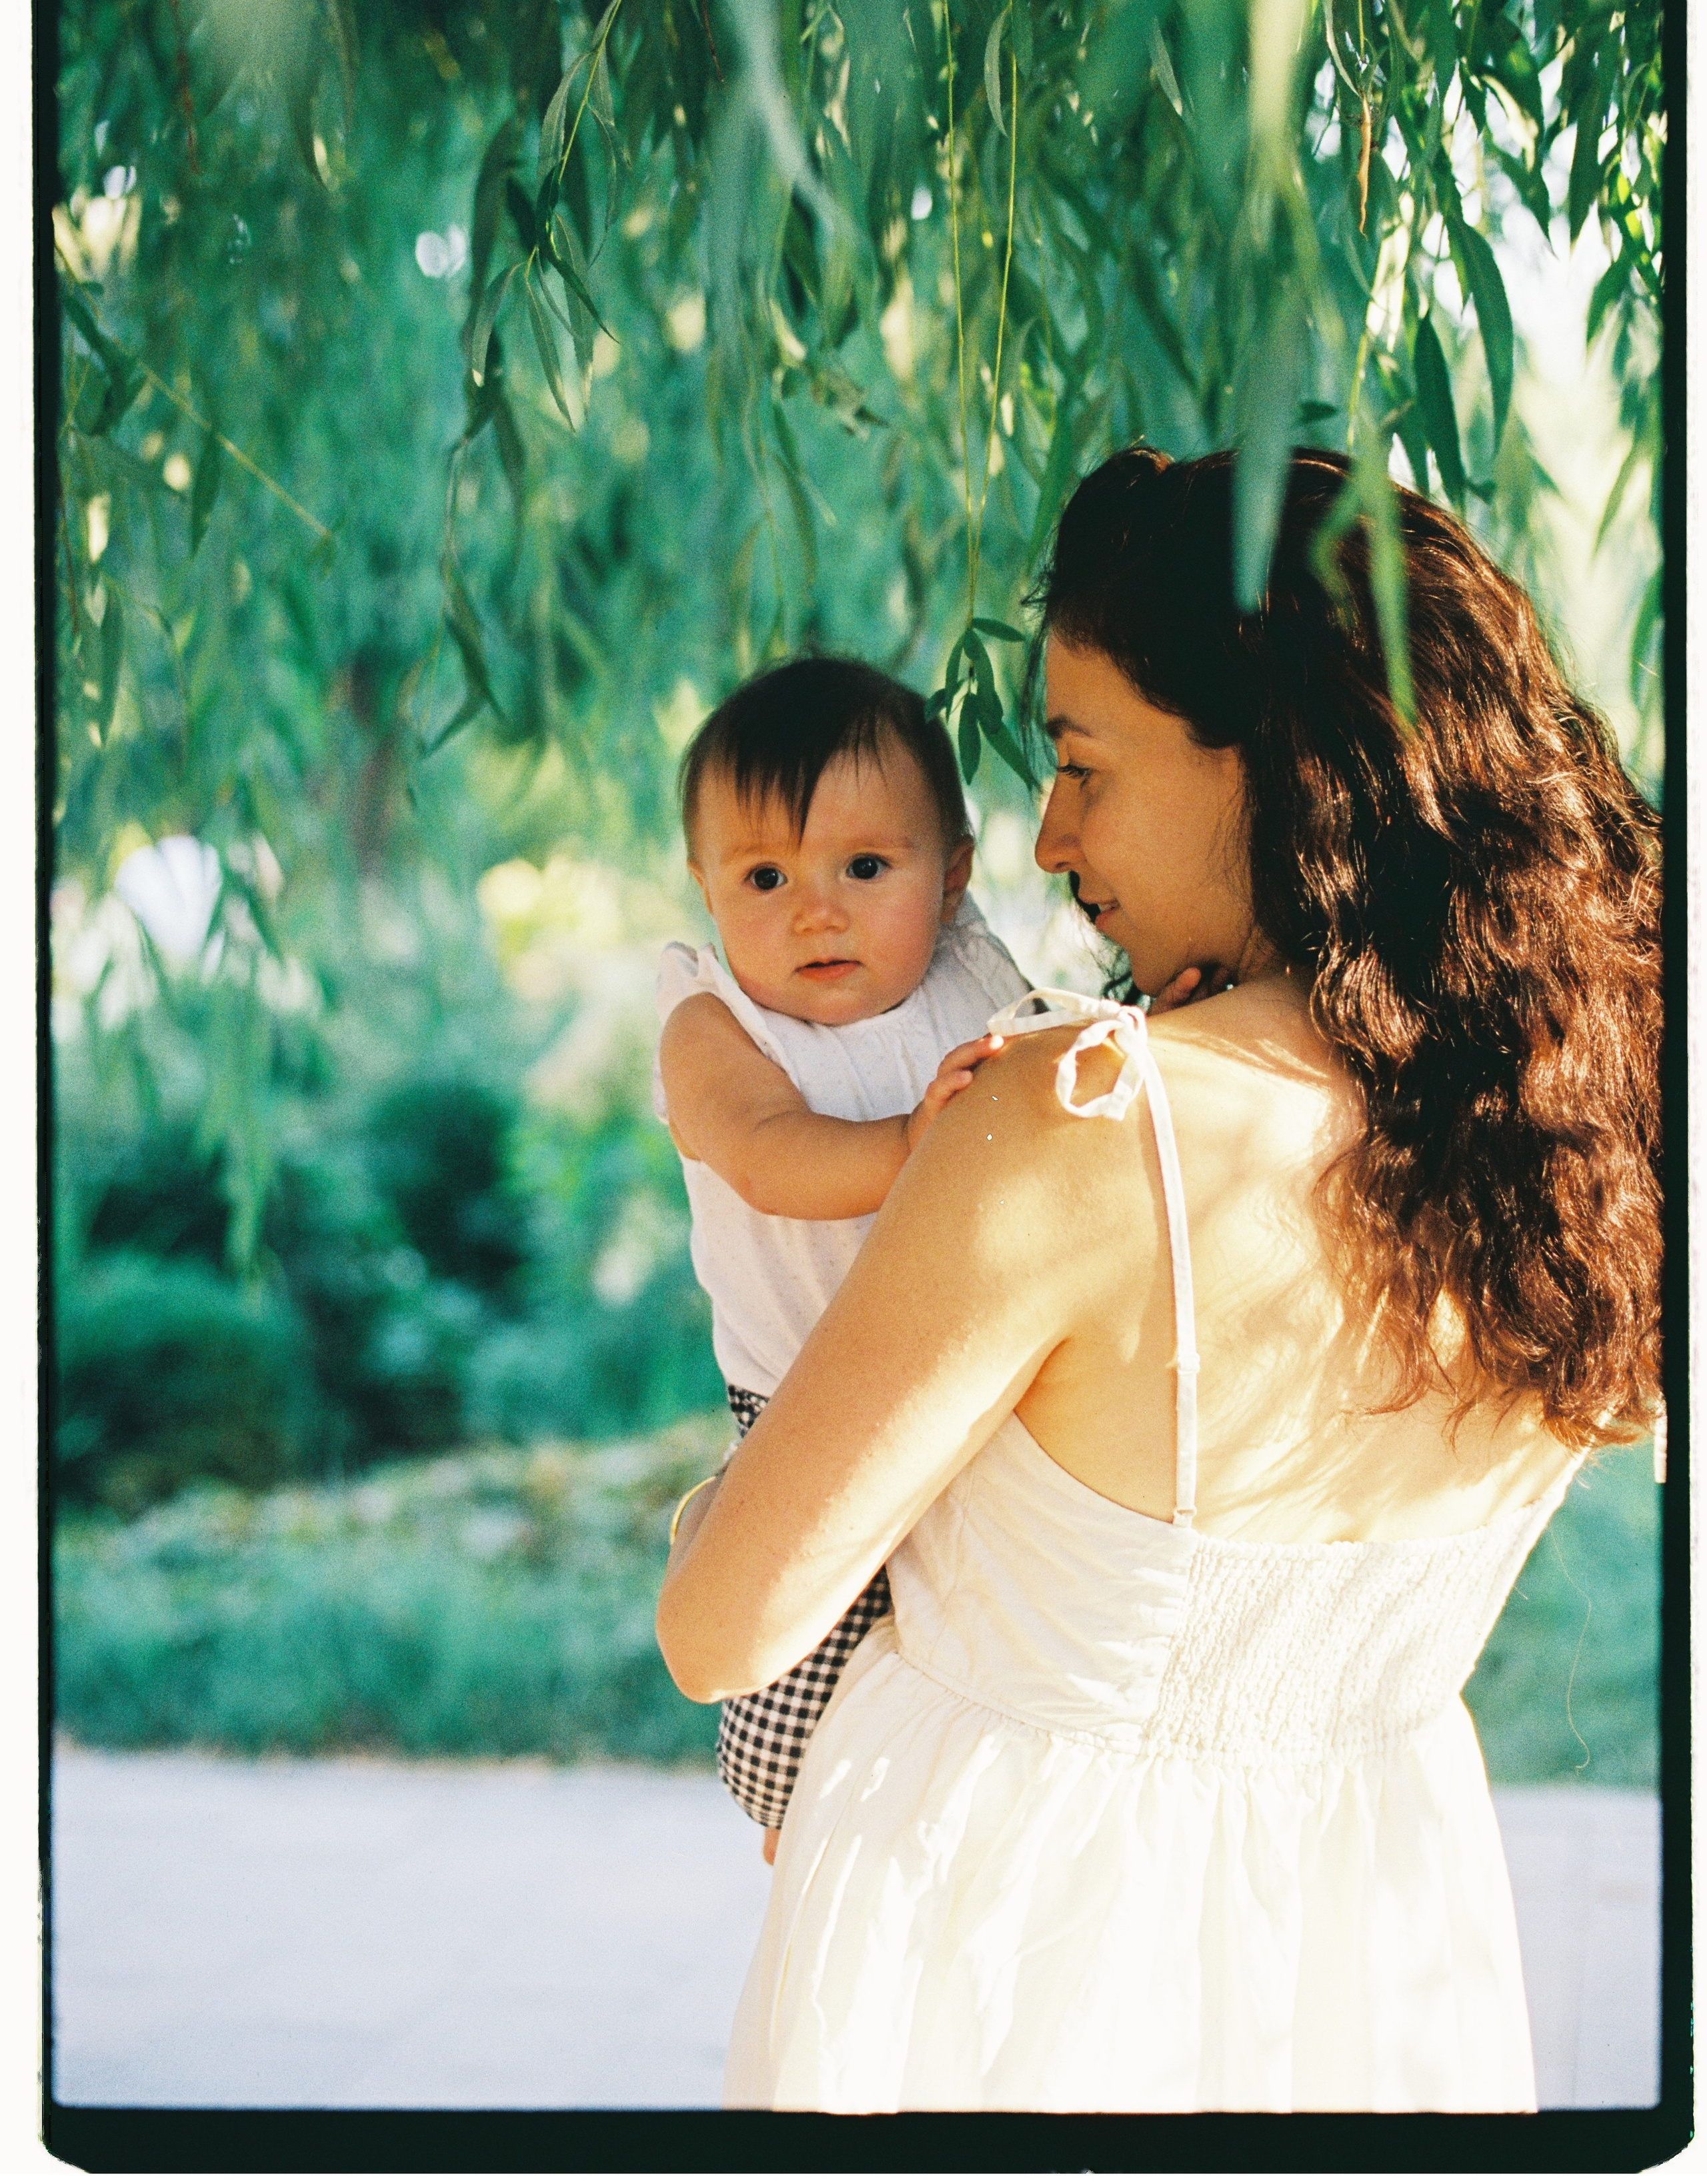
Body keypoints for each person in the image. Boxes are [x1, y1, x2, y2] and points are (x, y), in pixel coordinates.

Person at [657, 445, 1662, 2113]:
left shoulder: (1076, 1118)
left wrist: (727, 1489)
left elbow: (720, 1629)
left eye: (1080, 763)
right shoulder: (1585, 1145)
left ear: (1273, 767)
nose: (1043, 841)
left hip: (996, 1954)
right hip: (1378, 1951)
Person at [653, 656, 1029, 1852]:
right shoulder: (714, 1024)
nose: (816, 908)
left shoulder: (972, 970)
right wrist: (917, 1144)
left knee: (987, 1638)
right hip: (807, 1397)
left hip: (979, 1383)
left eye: (865, 867)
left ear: (952, 872)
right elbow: (769, 1155)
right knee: (789, 1704)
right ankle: (794, 1819)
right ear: (707, 889)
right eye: (766, 875)